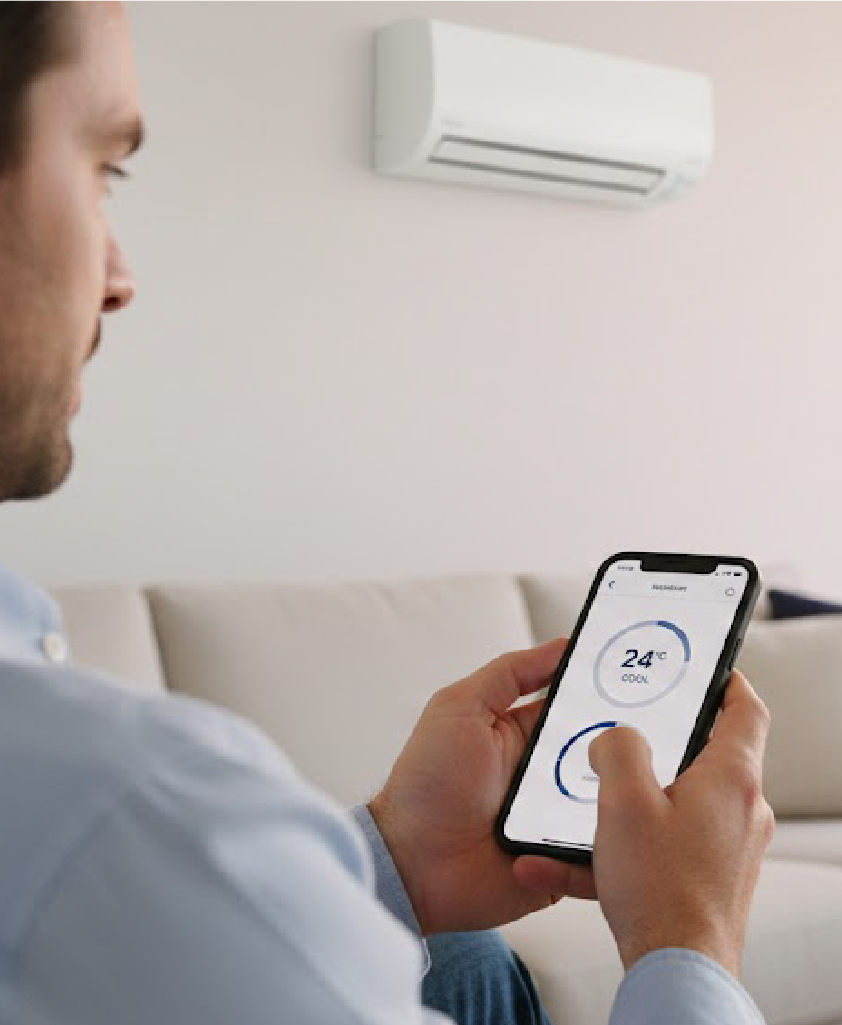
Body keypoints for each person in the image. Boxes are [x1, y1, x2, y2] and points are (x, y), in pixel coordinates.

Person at [0, 1, 776, 1022]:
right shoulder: (136, 807)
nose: (120, 276)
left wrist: (395, 859)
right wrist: (689, 940)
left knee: (458, 954)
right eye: (105, 169)